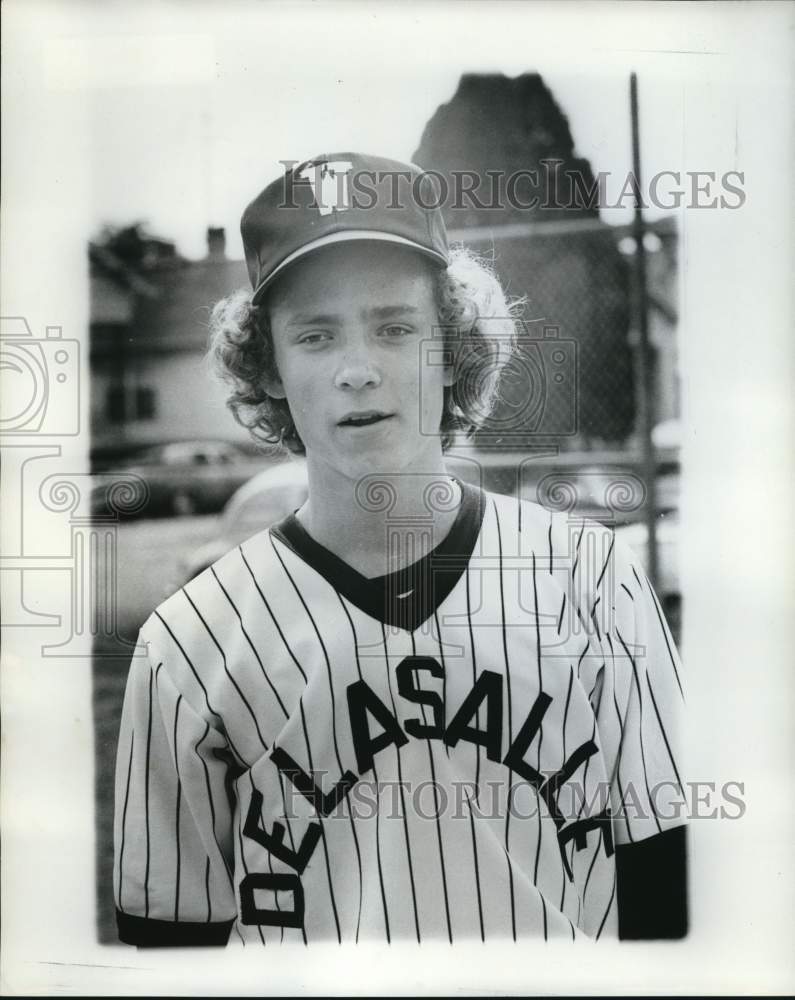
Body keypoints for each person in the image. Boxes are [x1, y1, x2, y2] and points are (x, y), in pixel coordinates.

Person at [113, 152, 687, 946]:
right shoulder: (184, 644)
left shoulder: (590, 579)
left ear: (452, 349)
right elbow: (170, 939)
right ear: (268, 367)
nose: (357, 371)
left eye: (395, 327)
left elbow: (668, 872)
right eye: (314, 336)